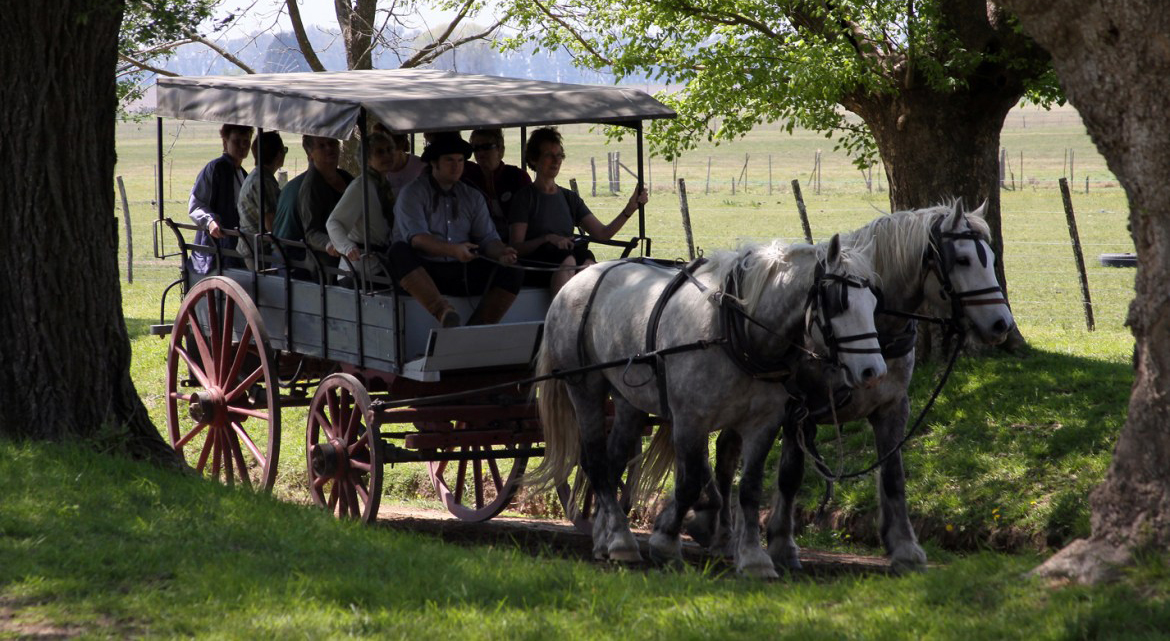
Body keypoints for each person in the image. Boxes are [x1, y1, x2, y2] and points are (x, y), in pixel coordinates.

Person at [389, 131, 521, 327]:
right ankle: (443, 311)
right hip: (424, 270)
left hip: (461, 272)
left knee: (514, 271)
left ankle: (477, 329)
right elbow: (417, 239)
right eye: (449, 160)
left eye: (460, 161)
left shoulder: (472, 196)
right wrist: (453, 250)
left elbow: (487, 239)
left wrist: (501, 252)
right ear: (435, 163)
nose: (456, 166)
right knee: (397, 252)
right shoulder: (412, 193)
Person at [508, 126, 648, 294]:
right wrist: (547, 239)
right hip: (537, 266)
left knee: (588, 262)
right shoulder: (524, 198)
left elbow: (602, 234)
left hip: (569, 260)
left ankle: (587, 317)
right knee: (568, 260)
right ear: (533, 159)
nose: (556, 160)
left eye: (559, 155)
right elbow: (516, 248)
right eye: (549, 155)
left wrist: (630, 209)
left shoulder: (569, 198)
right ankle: (561, 319)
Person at [326, 132, 397, 284]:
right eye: (380, 152)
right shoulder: (361, 186)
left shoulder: (384, 185)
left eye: (390, 150)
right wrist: (347, 247)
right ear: (368, 159)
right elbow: (333, 222)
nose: (387, 155)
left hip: (379, 264)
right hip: (359, 270)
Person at [188, 123, 253, 273]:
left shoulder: (243, 174)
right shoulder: (215, 168)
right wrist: (210, 221)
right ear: (225, 142)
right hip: (216, 247)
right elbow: (196, 203)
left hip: (237, 245)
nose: (243, 146)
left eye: (246, 142)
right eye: (237, 141)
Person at [461, 128, 531, 238]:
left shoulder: (517, 177)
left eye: (486, 147)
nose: (480, 153)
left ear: (500, 150)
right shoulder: (468, 177)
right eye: (476, 148)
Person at [236, 131, 286, 270]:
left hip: (252, 245)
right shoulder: (263, 181)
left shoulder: (258, 176)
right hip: (259, 250)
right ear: (278, 155)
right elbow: (270, 221)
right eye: (284, 150)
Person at [296, 135, 353, 259]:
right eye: (321, 146)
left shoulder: (346, 177)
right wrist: (331, 244)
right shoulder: (311, 187)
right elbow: (311, 233)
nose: (329, 148)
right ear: (311, 155)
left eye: (332, 143)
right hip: (328, 263)